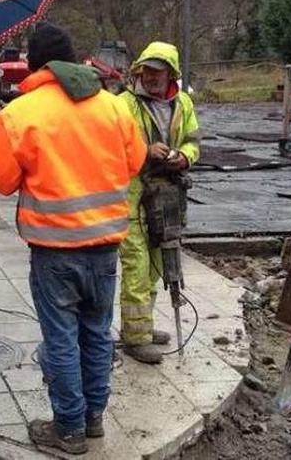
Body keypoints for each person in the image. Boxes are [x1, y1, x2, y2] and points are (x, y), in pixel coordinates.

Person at [0, 23, 146, 455]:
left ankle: (68, 429)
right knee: (96, 333)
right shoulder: (114, 107)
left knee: (62, 339)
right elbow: (135, 161)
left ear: (36, 65)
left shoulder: (20, 113)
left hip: (54, 253)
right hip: (106, 247)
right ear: (74, 61)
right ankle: (93, 419)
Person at [117, 42, 200, 364]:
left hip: (166, 197)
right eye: (146, 70)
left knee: (154, 266)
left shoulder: (184, 104)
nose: (151, 76)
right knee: (136, 266)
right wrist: (144, 152)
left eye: (157, 71)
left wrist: (183, 157)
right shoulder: (123, 104)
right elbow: (113, 148)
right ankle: (135, 338)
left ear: (171, 74)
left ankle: (143, 326)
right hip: (132, 198)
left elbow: (193, 141)